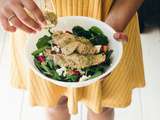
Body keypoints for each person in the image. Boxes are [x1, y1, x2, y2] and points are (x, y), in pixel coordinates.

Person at [0, 0, 145, 120]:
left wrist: (109, 29)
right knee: (54, 102)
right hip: (38, 21)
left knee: (102, 107)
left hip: (114, 13)